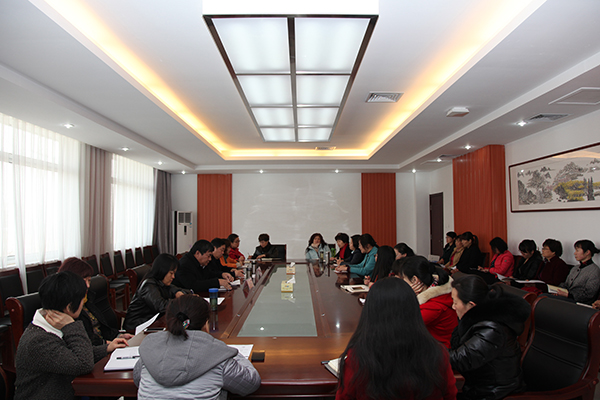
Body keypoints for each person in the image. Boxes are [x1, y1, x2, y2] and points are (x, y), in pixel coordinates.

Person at [336, 278, 457, 400]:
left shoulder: (358, 358)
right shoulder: (437, 353)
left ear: (370, 312)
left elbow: (344, 396)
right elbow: (450, 395)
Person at [134, 295, 260, 399]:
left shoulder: (150, 349)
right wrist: (233, 353)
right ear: (206, 324)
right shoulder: (217, 356)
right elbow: (251, 383)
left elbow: (137, 378)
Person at [14, 272, 95, 400]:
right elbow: (83, 363)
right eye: (82, 299)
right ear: (69, 306)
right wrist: (71, 326)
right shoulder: (38, 340)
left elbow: (71, 354)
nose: (83, 303)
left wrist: (107, 349)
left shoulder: (51, 326)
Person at [449, 275, 530, 400]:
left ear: (471, 305)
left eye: (455, 302)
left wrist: (425, 348)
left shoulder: (493, 330)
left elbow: (460, 359)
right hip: (476, 386)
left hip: (493, 393)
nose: (453, 307)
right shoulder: (476, 320)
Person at [58, 258, 131, 362]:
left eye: (89, 280)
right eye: (84, 280)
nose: (88, 285)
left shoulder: (87, 299)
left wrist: (119, 335)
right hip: (93, 356)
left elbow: (102, 327)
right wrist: (108, 344)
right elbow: (85, 342)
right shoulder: (68, 308)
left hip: (104, 349)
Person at [398, 256, 457, 349]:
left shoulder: (432, 306)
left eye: (403, 279)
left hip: (440, 351)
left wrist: (408, 296)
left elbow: (402, 325)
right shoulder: (440, 292)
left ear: (414, 280)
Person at [124, 254, 190, 330]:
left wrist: (178, 292)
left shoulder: (161, 282)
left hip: (153, 321)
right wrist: (180, 301)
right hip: (138, 326)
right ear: (162, 271)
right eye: (171, 273)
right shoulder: (148, 285)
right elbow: (161, 306)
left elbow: (175, 289)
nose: (173, 277)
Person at [557, 240, 600, 305]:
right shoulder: (575, 268)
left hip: (578, 303)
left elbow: (589, 294)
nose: (575, 253)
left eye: (577, 250)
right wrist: (558, 290)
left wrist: (569, 295)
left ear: (587, 252)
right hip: (567, 298)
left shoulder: (594, 270)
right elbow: (566, 284)